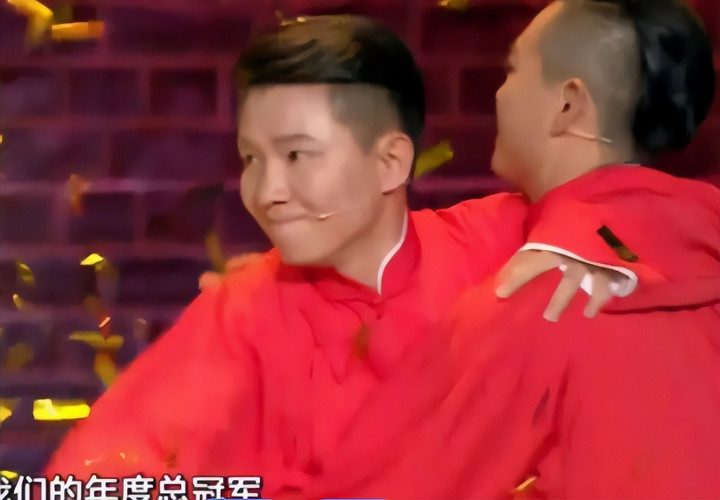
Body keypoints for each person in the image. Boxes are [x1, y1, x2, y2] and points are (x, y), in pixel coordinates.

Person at [43, 14, 634, 498]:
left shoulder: (507, 243)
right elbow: (93, 478)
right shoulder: (239, 314)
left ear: (390, 162)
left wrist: (593, 248)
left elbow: (645, 220)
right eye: (251, 159)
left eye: (296, 156)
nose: (267, 191)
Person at [308, 0, 720, 497]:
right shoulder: (701, 254)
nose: (500, 92)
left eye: (513, 69)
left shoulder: (540, 301)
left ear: (568, 104)